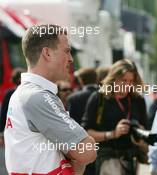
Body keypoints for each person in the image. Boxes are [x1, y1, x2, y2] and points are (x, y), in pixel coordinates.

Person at [4, 24, 96, 174]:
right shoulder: (37, 97)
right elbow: (87, 151)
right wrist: (87, 142)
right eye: (67, 51)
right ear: (47, 53)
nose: (71, 59)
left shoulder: (24, 93)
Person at [82, 59, 148, 175]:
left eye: (131, 81)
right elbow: (86, 133)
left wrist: (140, 133)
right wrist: (113, 134)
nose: (127, 85)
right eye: (124, 80)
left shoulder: (137, 100)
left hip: (131, 160)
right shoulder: (99, 98)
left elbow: (146, 130)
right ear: (113, 79)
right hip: (108, 159)